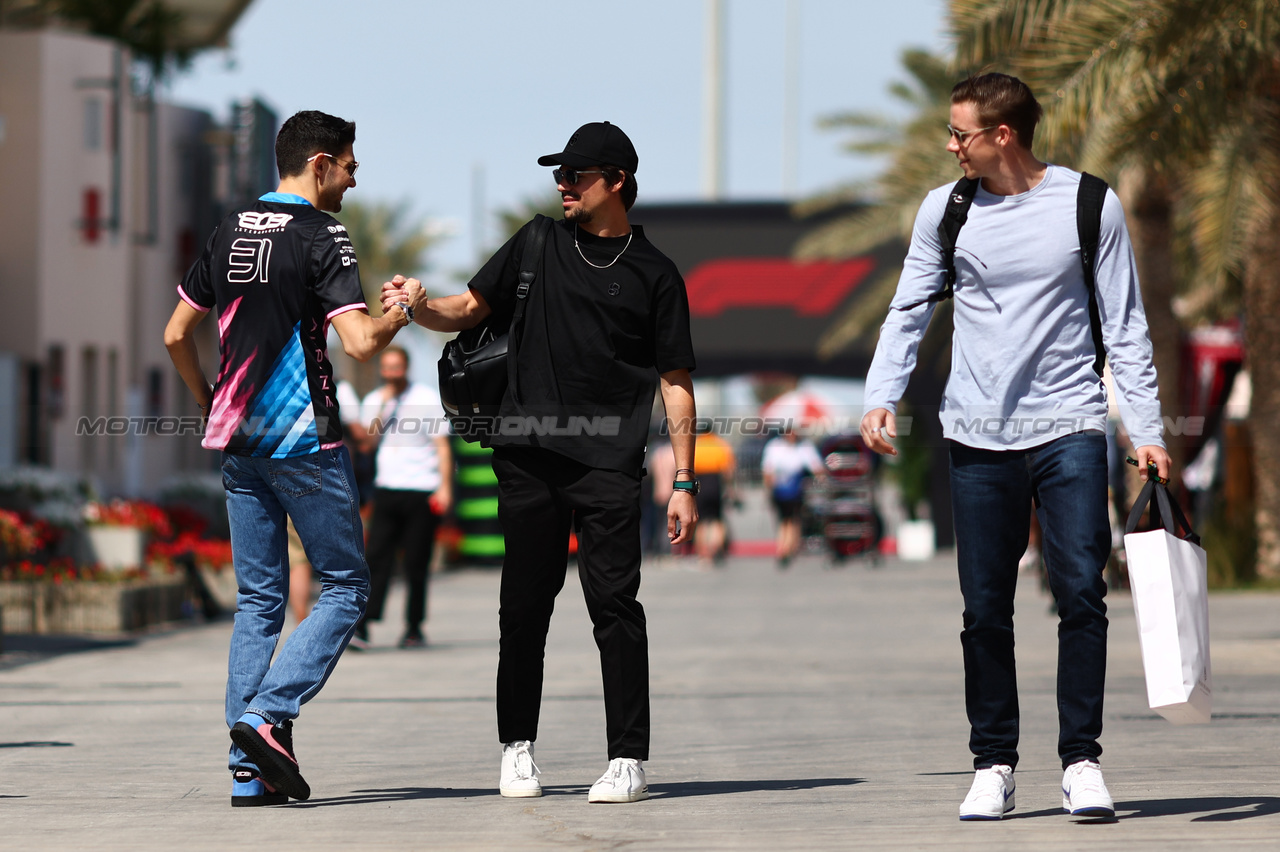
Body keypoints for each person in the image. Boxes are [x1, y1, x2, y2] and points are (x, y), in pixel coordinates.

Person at [859, 73, 1171, 821]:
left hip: (1069, 426)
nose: (950, 145)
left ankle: (1081, 762)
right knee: (984, 608)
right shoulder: (948, 209)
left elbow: (1125, 326)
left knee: (1082, 592)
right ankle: (994, 763)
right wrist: (881, 393)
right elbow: (906, 310)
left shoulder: (1088, 204)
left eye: (960, 133)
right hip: (975, 432)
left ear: (1003, 135)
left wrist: (1149, 431)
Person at [381, 121, 698, 804]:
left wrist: (686, 480)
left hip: (609, 464)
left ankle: (627, 758)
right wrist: (418, 306)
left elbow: (676, 381)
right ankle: (516, 747)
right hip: (525, 454)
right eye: (560, 174)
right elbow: (466, 309)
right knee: (523, 608)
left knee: (615, 606)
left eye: (577, 175)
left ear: (616, 181)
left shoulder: (655, 275)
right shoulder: (536, 242)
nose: (563, 184)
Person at [164, 110, 412, 806]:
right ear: (321, 163)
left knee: (260, 602)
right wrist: (404, 311)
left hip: (238, 443)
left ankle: (248, 771)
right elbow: (362, 344)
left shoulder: (230, 229)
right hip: (305, 442)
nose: (354, 181)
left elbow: (175, 332)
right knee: (346, 587)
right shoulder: (322, 234)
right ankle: (265, 717)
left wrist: (211, 398)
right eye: (351, 167)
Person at [351, 345, 452, 649]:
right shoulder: (374, 400)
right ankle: (364, 625)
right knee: (376, 559)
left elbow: (442, 445)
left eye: (397, 367)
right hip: (387, 488)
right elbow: (366, 446)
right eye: (387, 367)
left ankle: (413, 627)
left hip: (422, 488)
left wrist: (445, 486)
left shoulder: (426, 399)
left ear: (406, 368)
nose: (392, 373)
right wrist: (382, 409)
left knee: (417, 562)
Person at [761, 428, 825, 568]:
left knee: (793, 519)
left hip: (796, 490)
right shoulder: (775, 446)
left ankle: (787, 548)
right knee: (784, 520)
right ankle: (785, 548)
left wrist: (821, 479)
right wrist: (768, 489)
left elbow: (816, 467)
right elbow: (768, 470)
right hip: (780, 490)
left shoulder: (804, 447)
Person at [693, 429, 736, 564]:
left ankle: (703, 553)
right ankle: (716, 548)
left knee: (701, 521)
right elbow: (728, 469)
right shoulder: (720, 444)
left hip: (700, 483)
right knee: (717, 519)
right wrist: (730, 487)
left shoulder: (696, 445)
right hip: (715, 483)